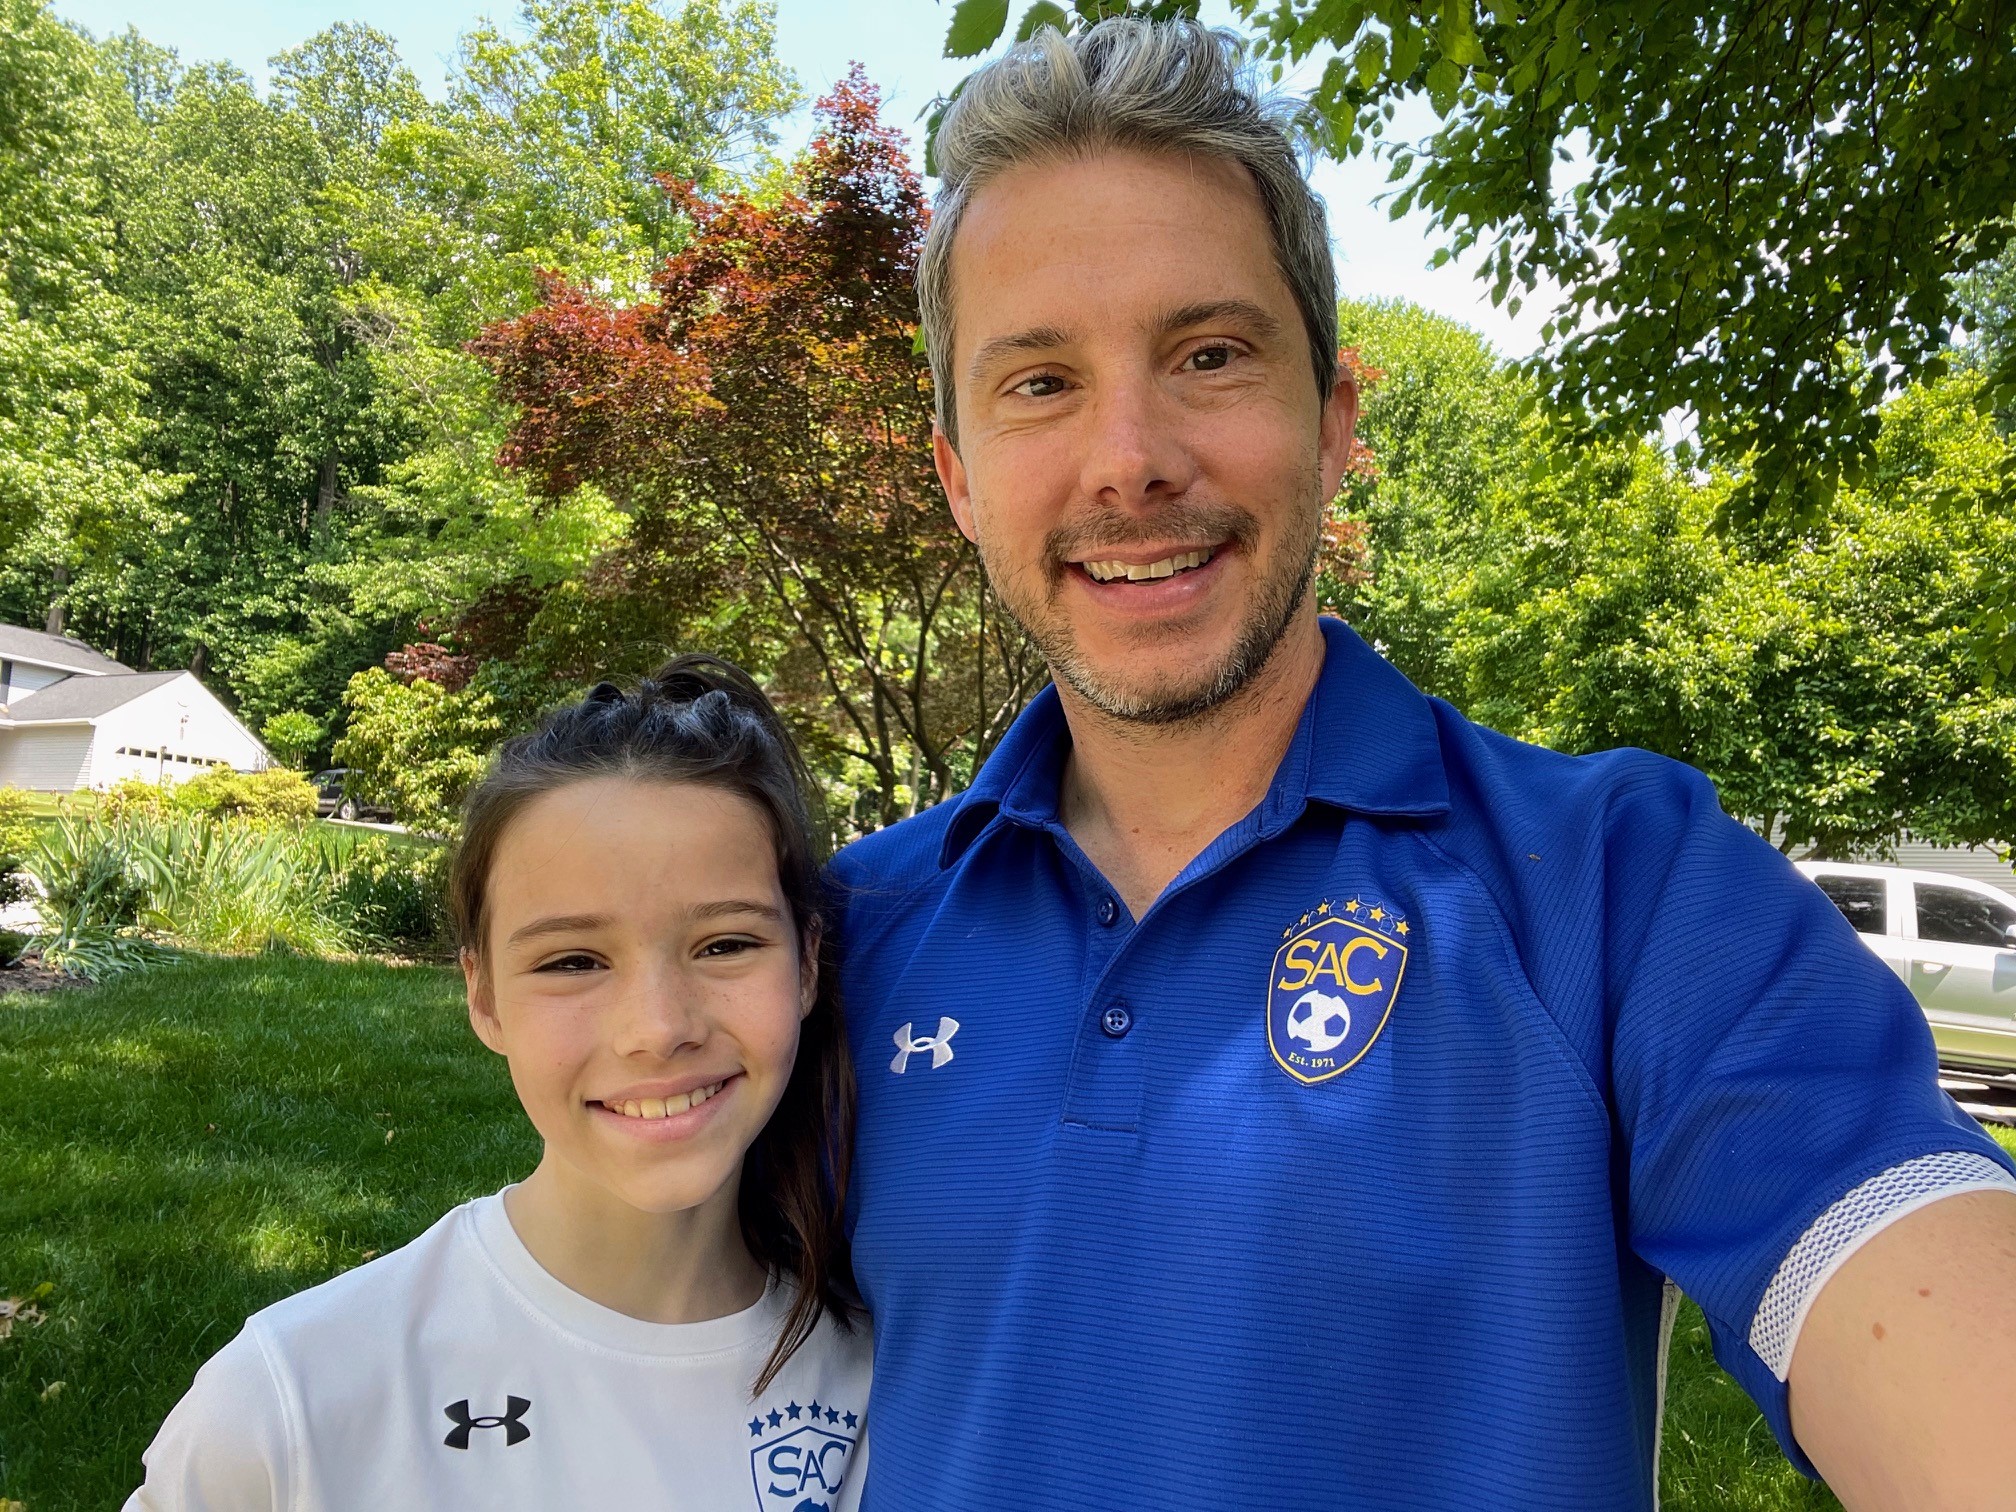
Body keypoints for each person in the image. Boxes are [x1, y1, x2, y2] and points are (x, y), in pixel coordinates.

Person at [828, 18, 2016, 1511]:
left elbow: (1894, 1255)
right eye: (1040, 383)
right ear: (956, 476)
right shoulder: (833, 939)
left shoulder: (1622, 887)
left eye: (1209, 354)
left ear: (1331, 428)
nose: (1127, 457)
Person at [126, 659, 870, 1512]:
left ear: (808, 965)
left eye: (727, 944)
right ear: (483, 997)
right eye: (573, 961)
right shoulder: (292, 1402)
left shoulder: (881, 1385)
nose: (659, 1028)